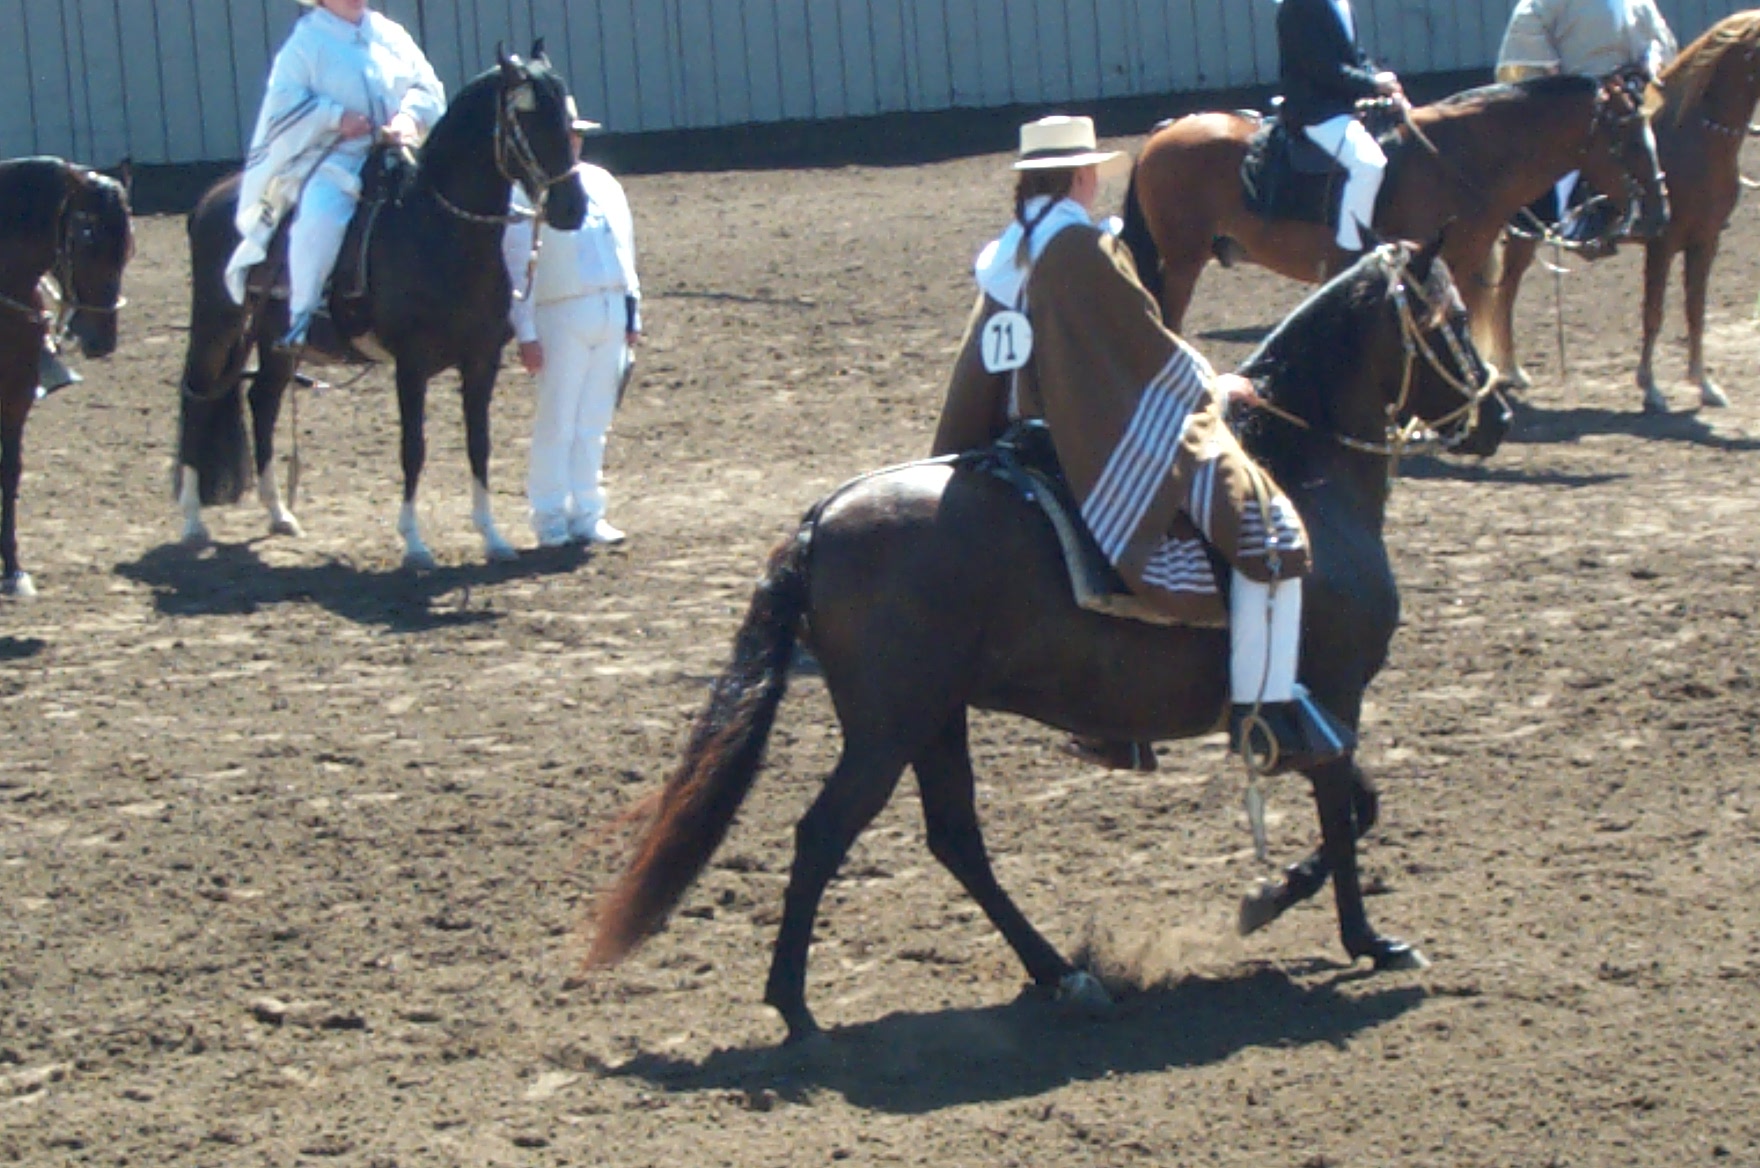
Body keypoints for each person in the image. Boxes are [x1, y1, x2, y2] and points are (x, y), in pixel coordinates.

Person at [931, 114, 1355, 774]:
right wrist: (1217, 386)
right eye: (1092, 174)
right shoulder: (1083, 248)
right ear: (1081, 176)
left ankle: (1119, 722)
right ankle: (1263, 714)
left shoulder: (1010, 252)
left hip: (1008, 434)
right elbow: (1145, 351)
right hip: (1080, 433)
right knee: (1266, 528)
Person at [225, 0, 446, 351]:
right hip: (337, 158)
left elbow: (427, 86)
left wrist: (409, 117)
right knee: (321, 216)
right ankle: (303, 317)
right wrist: (334, 117)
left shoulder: (390, 34)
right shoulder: (306, 42)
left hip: (399, 152)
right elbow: (282, 104)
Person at [501, 96, 641, 548]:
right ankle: (549, 515)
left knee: (594, 420)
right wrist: (526, 332)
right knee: (558, 420)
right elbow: (518, 267)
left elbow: (625, 248)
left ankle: (588, 510)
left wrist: (632, 310)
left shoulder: (602, 182)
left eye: (576, 135)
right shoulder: (525, 191)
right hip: (559, 308)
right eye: (565, 135)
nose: (573, 142)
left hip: (608, 305)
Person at [1496, 0, 1677, 246]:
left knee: (1653, 131)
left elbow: (1657, 39)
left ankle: (1660, 204)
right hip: (1572, 93)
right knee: (1573, 140)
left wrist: (1648, 65)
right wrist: (1558, 78)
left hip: (1626, 90)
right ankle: (1566, 214)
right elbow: (1528, 31)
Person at [1275, 0, 1408, 253]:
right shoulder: (1299, 6)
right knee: (1369, 164)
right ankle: (1351, 252)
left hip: (1345, 103)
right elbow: (1323, 68)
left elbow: (1355, 56)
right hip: (1316, 111)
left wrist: (1384, 85)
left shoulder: (1341, 3)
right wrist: (1373, 85)